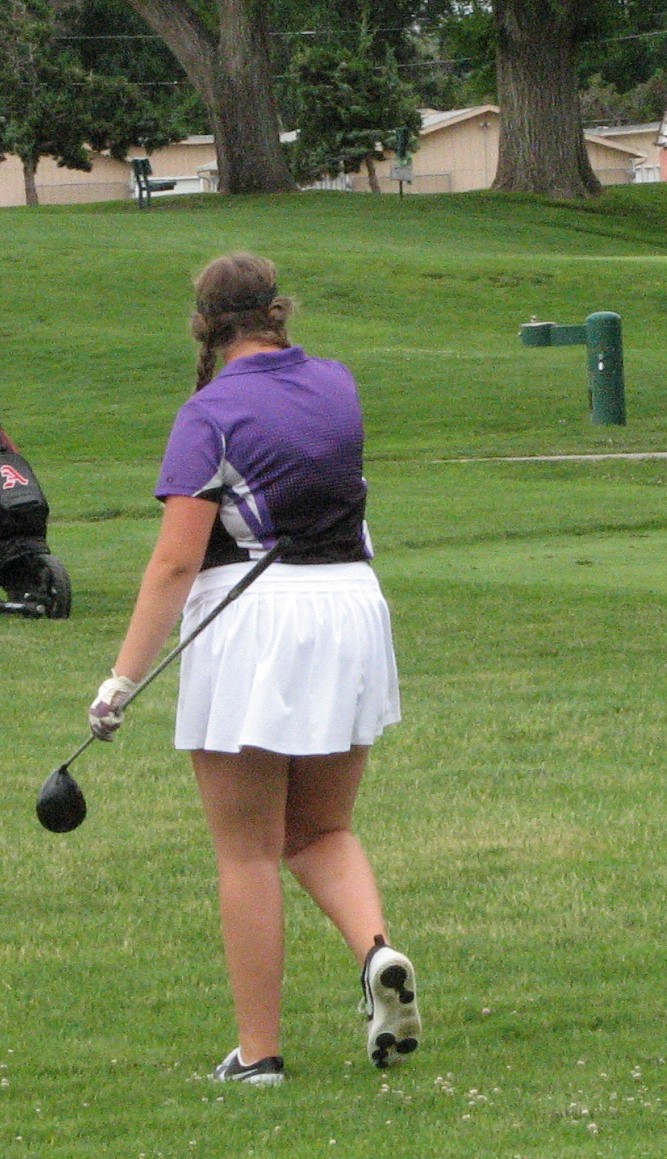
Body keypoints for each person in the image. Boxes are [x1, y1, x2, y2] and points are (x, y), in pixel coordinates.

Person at [89, 253, 420, 1084]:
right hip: (351, 607)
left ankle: (259, 1053)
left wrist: (120, 681)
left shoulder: (209, 410)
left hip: (255, 618)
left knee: (247, 850)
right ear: (278, 311)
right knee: (322, 828)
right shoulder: (337, 383)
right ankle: (378, 952)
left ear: (205, 324)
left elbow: (174, 564)